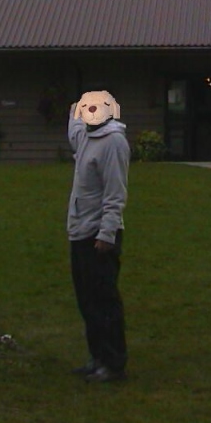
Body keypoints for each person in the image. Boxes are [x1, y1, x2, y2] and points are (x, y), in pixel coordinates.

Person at [66, 90, 130, 383]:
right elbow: (74, 131)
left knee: (104, 301)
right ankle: (97, 356)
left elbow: (115, 193)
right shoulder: (86, 139)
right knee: (87, 301)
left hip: (99, 236)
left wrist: (107, 233)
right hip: (79, 232)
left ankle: (113, 362)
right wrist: (73, 112)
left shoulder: (114, 142)